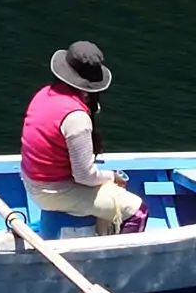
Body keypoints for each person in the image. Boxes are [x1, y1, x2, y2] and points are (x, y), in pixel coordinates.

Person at [21, 40, 146, 235]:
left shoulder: (43, 94)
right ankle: (117, 258)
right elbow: (84, 176)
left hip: (33, 183)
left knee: (106, 187)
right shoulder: (76, 117)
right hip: (53, 191)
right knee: (138, 211)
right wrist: (112, 176)